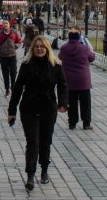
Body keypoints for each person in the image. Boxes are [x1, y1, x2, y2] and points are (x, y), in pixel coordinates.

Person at [7, 35, 67, 191]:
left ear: (47, 48)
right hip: (29, 108)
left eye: (42, 46)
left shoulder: (55, 65)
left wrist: (62, 103)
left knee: (45, 141)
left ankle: (44, 170)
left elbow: (62, 85)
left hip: (48, 107)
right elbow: (18, 88)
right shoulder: (26, 65)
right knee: (33, 142)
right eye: (36, 46)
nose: (39, 49)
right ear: (33, 48)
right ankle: (30, 174)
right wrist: (11, 111)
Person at [58, 28, 95, 130]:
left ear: (69, 37)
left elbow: (60, 57)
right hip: (83, 79)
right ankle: (86, 123)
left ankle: (72, 123)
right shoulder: (84, 48)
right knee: (85, 102)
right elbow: (92, 58)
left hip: (69, 80)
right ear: (79, 37)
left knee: (72, 102)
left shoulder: (64, 48)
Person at [0, 20, 22, 96]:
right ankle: (7, 89)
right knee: (5, 73)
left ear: (9, 24)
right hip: (3, 57)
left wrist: (15, 47)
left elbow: (19, 41)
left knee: (13, 72)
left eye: (6, 23)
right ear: (2, 25)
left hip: (12, 55)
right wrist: (0, 48)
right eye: (4, 24)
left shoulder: (14, 32)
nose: (5, 25)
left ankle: (13, 87)